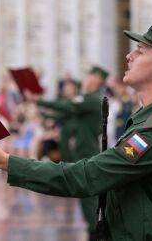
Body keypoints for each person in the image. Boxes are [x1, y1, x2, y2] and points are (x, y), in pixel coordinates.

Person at [0, 20, 152, 240]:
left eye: (140, 51)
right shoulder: (149, 117)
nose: (129, 56)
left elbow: (86, 177)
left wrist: (4, 161)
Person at [28, 67, 108, 238]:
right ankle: (93, 231)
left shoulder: (93, 99)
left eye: (89, 76)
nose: (85, 80)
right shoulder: (85, 100)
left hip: (87, 153)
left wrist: (39, 101)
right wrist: (39, 105)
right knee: (85, 197)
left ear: (96, 80)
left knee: (89, 198)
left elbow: (67, 106)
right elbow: (63, 112)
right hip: (78, 153)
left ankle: (96, 233)